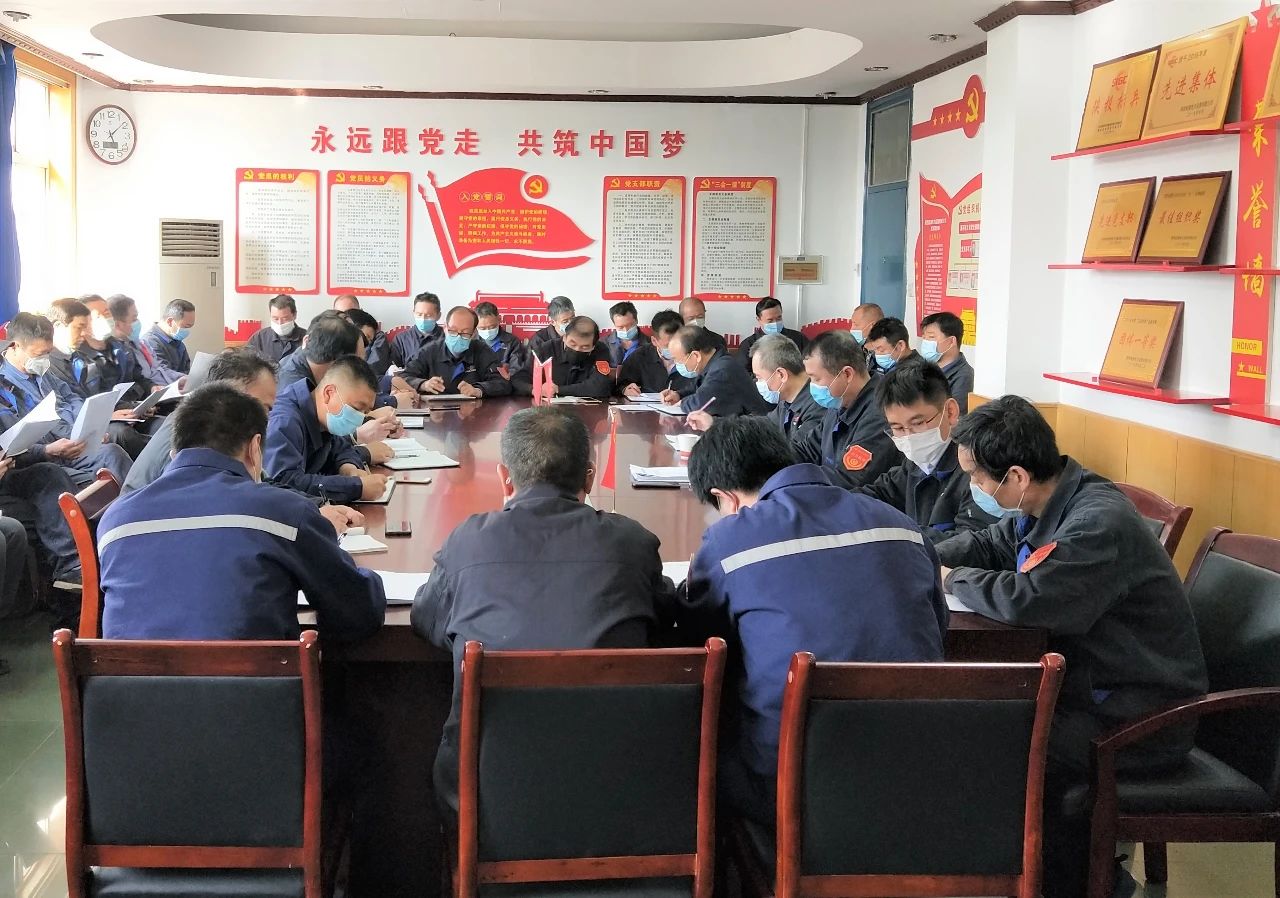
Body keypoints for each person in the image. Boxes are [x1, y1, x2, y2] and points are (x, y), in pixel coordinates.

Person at [935, 396, 1208, 898]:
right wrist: (923, 557)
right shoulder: (1051, 500)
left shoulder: (1095, 523)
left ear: (1016, 477)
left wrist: (953, 578)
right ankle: (1023, 872)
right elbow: (991, 542)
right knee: (979, 721)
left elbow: (1031, 600)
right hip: (1092, 694)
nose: (973, 487)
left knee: (989, 738)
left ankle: (1081, 881)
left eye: (975, 477)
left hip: (1138, 716)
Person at [674, 416, 947, 828]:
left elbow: (703, 650)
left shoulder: (729, 540)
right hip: (921, 772)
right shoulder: (901, 524)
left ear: (724, 498)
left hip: (793, 787)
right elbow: (937, 630)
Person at [411, 406, 673, 813]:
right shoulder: (632, 543)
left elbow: (427, 620)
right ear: (589, 477)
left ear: (504, 477)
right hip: (620, 790)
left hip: (487, 795)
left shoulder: (468, 541)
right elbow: (664, 626)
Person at [98, 382, 386, 642]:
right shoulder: (284, 512)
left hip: (127, 684)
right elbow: (358, 613)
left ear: (175, 452)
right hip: (252, 684)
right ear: (255, 448)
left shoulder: (115, 520)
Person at [860, 362, 995, 543]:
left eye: (918, 423)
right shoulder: (917, 463)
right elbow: (881, 492)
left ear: (950, 412)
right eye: (898, 428)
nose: (909, 437)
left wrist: (896, 532)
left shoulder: (976, 470)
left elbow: (969, 545)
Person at [0, 313, 132, 487]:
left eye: (48, 353)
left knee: (113, 453)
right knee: (85, 481)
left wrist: (88, 428)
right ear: (15, 346)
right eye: (39, 354)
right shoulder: (5, 386)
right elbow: (13, 443)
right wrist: (49, 449)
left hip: (70, 443)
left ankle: (138, 498)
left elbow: (70, 397)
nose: (44, 359)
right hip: (40, 457)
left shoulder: (43, 373)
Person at [265, 355, 390, 503]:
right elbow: (283, 483)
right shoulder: (284, 421)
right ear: (329, 393)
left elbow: (341, 448)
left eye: (366, 411)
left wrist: (348, 467)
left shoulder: (323, 415)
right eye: (357, 408)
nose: (360, 417)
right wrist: (356, 488)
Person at [42, 298, 150, 459]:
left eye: (86, 327)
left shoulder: (81, 358)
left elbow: (100, 395)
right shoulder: (46, 366)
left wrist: (134, 407)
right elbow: (64, 410)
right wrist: (105, 418)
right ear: (57, 326)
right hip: (73, 431)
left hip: (100, 419)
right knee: (121, 434)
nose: (84, 333)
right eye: (79, 327)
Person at [801, 331, 900, 490]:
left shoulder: (881, 412)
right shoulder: (840, 402)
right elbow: (808, 449)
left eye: (816, 378)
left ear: (847, 374)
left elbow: (848, 481)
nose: (811, 386)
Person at [663, 325, 771, 428]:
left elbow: (700, 404)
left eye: (678, 359)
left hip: (751, 430)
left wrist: (682, 404)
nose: (677, 364)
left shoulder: (722, 369)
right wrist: (678, 395)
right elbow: (697, 387)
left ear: (696, 355)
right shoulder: (715, 362)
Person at [402, 306, 512, 399]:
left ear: (474, 333)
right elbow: (403, 378)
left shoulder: (482, 350)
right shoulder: (429, 351)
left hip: (473, 412)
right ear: (445, 328)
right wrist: (423, 384)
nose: (458, 336)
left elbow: (503, 383)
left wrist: (478, 390)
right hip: (436, 412)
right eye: (453, 331)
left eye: (465, 333)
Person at [750, 334, 823, 461]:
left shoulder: (818, 405)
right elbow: (763, 427)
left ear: (781, 375)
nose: (757, 383)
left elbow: (793, 457)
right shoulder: (786, 400)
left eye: (759, 377)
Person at [618, 309, 694, 397]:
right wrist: (625, 389)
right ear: (654, 341)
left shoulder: (695, 356)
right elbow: (620, 385)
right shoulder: (639, 357)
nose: (675, 349)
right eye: (669, 345)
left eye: (679, 342)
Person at [103, 294, 160, 403]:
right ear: (117, 324)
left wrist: (152, 387)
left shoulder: (126, 346)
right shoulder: (103, 354)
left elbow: (137, 377)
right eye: (134, 319)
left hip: (136, 403)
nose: (138, 322)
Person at [544, 316, 614, 400]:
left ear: (593, 346)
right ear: (564, 338)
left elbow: (600, 386)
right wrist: (536, 390)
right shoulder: (547, 348)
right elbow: (528, 381)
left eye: (584, 347)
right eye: (572, 344)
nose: (577, 349)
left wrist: (559, 389)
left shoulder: (601, 350)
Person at [919, 311, 975, 413]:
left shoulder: (964, 376)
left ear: (951, 341)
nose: (925, 342)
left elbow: (954, 415)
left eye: (931, 337)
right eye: (924, 338)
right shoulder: (923, 367)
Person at [475, 301, 531, 396]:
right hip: (477, 390)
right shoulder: (471, 343)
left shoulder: (512, 342)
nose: (488, 331)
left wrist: (508, 375)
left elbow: (517, 371)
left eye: (492, 327)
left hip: (504, 392)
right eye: (482, 328)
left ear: (499, 319)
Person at [738, 297, 807, 370]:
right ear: (758, 319)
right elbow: (742, 372)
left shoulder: (799, 338)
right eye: (770, 320)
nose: (775, 323)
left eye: (779, 318)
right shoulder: (748, 344)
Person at [141, 298, 196, 385]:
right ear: (170, 322)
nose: (187, 331)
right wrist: (189, 379)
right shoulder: (149, 342)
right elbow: (162, 373)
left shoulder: (179, 343)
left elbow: (186, 369)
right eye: (186, 326)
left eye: (190, 327)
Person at [247, 294, 307, 364]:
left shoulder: (307, 338)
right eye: (275, 319)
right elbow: (247, 363)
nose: (280, 323)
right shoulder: (259, 338)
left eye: (285, 318)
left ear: (294, 315)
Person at [389, 292, 443, 369]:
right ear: (413, 313)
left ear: (438, 316)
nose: (423, 319)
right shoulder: (401, 339)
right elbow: (394, 366)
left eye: (428, 315)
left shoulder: (448, 337)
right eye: (419, 314)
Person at [602, 301, 650, 368]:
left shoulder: (650, 344)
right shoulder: (603, 344)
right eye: (620, 327)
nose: (626, 330)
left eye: (630, 325)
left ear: (636, 320)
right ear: (614, 325)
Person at [528, 295, 575, 360]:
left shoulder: (580, 334)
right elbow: (531, 363)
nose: (571, 323)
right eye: (565, 321)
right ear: (553, 322)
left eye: (573, 318)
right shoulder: (539, 339)